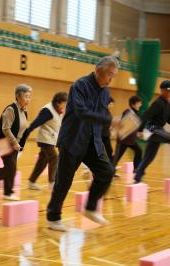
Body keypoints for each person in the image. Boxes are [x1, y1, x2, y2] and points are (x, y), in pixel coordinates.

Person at [46, 56, 119, 231]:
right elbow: (81, 112)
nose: (111, 79)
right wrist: (109, 120)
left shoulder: (106, 91)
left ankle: (90, 207)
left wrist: (108, 129)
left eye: (113, 76)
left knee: (107, 172)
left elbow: (101, 116)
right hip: (73, 140)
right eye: (109, 74)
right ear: (98, 70)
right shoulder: (80, 85)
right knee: (64, 181)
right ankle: (53, 218)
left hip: (92, 141)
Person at [0, 84, 32, 201]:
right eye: (26, 96)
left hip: (15, 145)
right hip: (6, 144)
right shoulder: (11, 109)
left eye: (29, 97)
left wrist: (21, 146)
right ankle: (8, 192)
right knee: (11, 169)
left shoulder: (24, 111)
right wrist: (15, 143)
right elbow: (6, 129)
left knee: (10, 169)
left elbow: (24, 130)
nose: (28, 99)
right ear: (18, 96)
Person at [22, 92, 68, 191]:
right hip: (45, 139)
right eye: (64, 102)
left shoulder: (58, 109)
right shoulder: (48, 110)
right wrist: (26, 133)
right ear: (59, 102)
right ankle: (52, 183)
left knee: (42, 161)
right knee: (54, 157)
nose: (65, 105)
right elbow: (36, 122)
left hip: (50, 139)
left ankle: (31, 182)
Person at [113, 95, 143, 171]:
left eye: (140, 103)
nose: (140, 105)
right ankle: (109, 171)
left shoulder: (135, 114)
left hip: (131, 141)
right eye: (138, 103)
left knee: (139, 151)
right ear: (133, 104)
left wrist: (137, 134)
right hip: (123, 140)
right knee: (116, 157)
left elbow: (132, 127)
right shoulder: (127, 111)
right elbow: (125, 124)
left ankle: (136, 169)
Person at [101, 97, 115, 162]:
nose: (112, 106)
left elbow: (108, 123)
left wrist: (111, 129)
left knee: (109, 150)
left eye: (112, 104)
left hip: (106, 135)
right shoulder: (101, 111)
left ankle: (112, 165)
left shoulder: (108, 113)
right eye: (111, 104)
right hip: (100, 135)